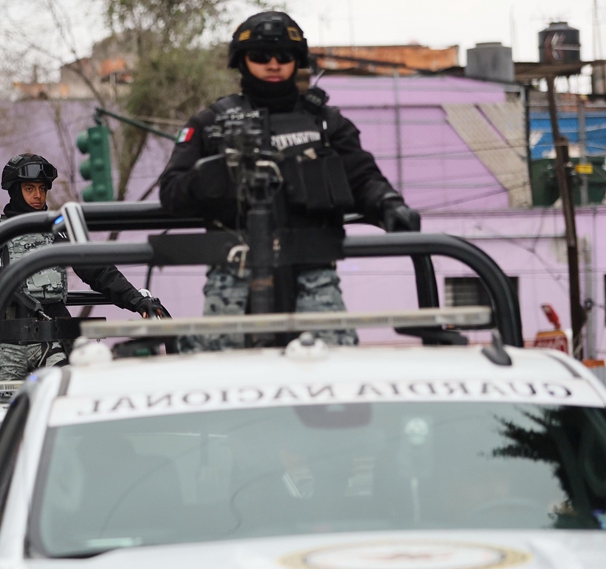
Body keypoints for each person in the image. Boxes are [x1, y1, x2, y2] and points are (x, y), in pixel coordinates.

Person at [158, 11, 420, 351]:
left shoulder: (326, 123)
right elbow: (172, 192)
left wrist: (389, 205)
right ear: (242, 61)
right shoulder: (211, 124)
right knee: (221, 377)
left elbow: (363, 178)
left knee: (331, 372)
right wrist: (218, 175)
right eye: (260, 56)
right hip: (233, 278)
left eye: (283, 56)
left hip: (314, 274)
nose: (273, 64)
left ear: (296, 61)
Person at [0, 154, 166, 379]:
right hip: (5, 338)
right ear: (15, 191)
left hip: (52, 335)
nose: (38, 195)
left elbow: (98, 269)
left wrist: (137, 301)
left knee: (70, 390)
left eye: (42, 189)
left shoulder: (59, 229)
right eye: (29, 188)